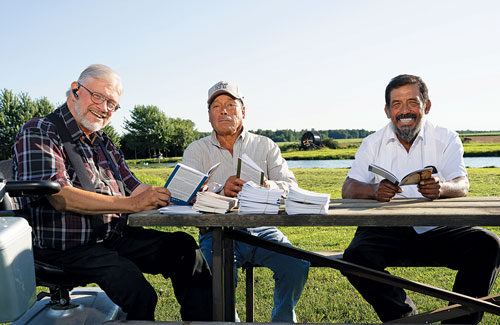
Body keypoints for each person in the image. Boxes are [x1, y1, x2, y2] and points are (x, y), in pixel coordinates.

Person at [12, 64, 212, 321]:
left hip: (110, 237)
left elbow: (135, 186)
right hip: (64, 247)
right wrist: (131, 205)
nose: (105, 108)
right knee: (137, 290)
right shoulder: (40, 130)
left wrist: (183, 194)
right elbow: (60, 197)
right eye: (99, 97)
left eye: (112, 104)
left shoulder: (103, 142)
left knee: (184, 250)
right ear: (75, 90)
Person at [341, 74, 500, 324]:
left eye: (412, 102)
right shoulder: (372, 142)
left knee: (488, 244)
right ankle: (408, 319)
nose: (405, 111)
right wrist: (373, 191)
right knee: (355, 257)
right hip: (384, 230)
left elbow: (462, 184)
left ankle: (458, 321)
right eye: (397, 104)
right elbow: (348, 187)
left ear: (427, 105)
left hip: (437, 228)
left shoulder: (446, 137)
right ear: (387, 111)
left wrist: (442, 187)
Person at [181, 81, 310, 322]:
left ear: (243, 111)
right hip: (215, 233)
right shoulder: (196, 150)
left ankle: (282, 320)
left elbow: (291, 185)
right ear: (209, 115)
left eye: (231, 104)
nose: (224, 110)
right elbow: (184, 195)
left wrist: (268, 186)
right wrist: (220, 191)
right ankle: (231, 321)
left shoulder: (265, 145)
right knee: (216, 277)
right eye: (216, 106)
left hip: (263, 228)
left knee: (297, 264)